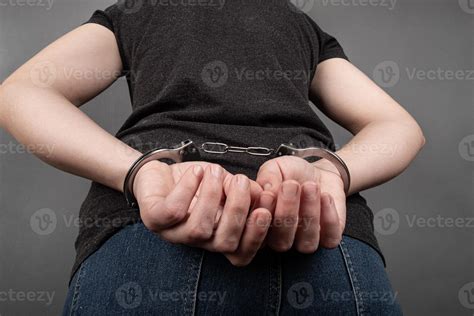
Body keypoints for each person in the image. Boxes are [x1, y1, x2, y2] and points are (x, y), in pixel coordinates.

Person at [0, 0, 425, 315]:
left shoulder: (135, 12)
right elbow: (397, 126)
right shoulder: (301, 25)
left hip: (159, 230)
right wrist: (331, 174)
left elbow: (24, 91)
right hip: (321, 236)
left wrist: (139, 171)